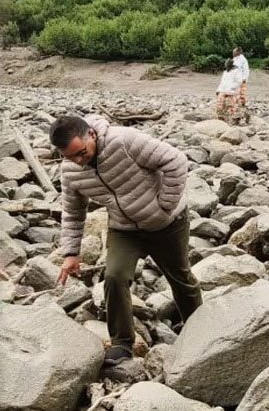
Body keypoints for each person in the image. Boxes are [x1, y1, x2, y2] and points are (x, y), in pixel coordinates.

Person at [52, 115, 202, 366]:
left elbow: (175, 160)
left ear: (91, 134)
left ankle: (198, 330)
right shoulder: (70, 171)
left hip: (167, 224)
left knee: (180, 277)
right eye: (70, 157)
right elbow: (73, 212)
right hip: (124, 230)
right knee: (114, 277)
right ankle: (122, 344)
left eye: (82, 153)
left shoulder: (123, 141)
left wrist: (164, 206)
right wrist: (71, 253)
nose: (78, 161)